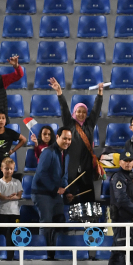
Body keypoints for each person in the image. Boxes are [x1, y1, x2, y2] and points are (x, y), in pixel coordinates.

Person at [50, 77, 102, 206]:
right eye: (79, 111)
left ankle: (90, 225)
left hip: (87, 168)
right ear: (74, 112)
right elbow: (64, 109)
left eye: (84, 112)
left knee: (88, 199)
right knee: (70, 198)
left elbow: (96, 110)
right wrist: (59, 92)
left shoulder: (90, 125)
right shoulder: (69, 124)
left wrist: (100, 93)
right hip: (70, 168)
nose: (81, 114)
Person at [31, 128, 72, 257]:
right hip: (42, 193)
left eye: (69, 139)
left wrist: (66, 192)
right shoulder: (48, 152)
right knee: (47, 222)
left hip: (54, 194)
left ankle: (57, 253)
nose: (67, 141)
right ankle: (44, 254)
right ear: (58, 137)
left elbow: (64, 177)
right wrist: (55, 189)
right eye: (64, 138)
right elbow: (41, 174)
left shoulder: (66, 154)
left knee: (59, 222)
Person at [0, 111, 26, 221]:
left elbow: (24, 139)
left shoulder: (9, 132)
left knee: (6, 192)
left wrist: (13, 150)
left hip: (5, 167)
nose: (1, 120)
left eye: (3, 118)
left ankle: (8, 217)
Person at [0, 157, 22, 261]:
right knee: (2, 234)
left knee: (15, 234)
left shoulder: (17, 182)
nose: (9, 171)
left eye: (11, 169)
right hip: (3, 213)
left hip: (15, 213)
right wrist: (8, 198)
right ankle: (2, 254)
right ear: (1, 169)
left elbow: (19, 195)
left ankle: (14, 255)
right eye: (6, 168)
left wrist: (15, 197)